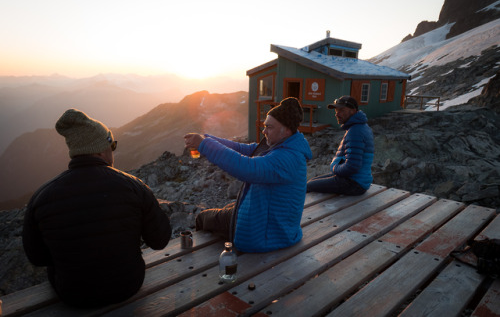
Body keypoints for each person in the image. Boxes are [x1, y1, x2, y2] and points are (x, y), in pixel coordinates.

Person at [22, 108, 172, 308]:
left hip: (72, 294)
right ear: (101, 149)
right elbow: (160, 241)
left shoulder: (42, 196)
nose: (114, 150)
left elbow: (38, 257)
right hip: (127, 286)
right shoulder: (134, 186)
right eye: (113, 145)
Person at [185, 97, 312, 253]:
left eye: (269, 127)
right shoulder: (283, 145)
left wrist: (204, 145)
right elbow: (244, 149)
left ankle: (198, 261)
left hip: (267, 234)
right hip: (267, 218)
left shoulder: (287, 158)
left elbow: (247, 168)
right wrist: (207, 139)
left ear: (286, 130)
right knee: (227, 208)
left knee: (203, 217)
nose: (264, 131)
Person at [307, 96, 374, 195]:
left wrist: (334, 168)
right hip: (356, 180)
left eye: (342, 110)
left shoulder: (355, 131)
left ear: (353, 111)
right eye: (336, 110)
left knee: (309, 186)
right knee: (311, 181)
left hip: (354, 183)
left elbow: (352, 166)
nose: (337, 114)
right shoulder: (360, 127)